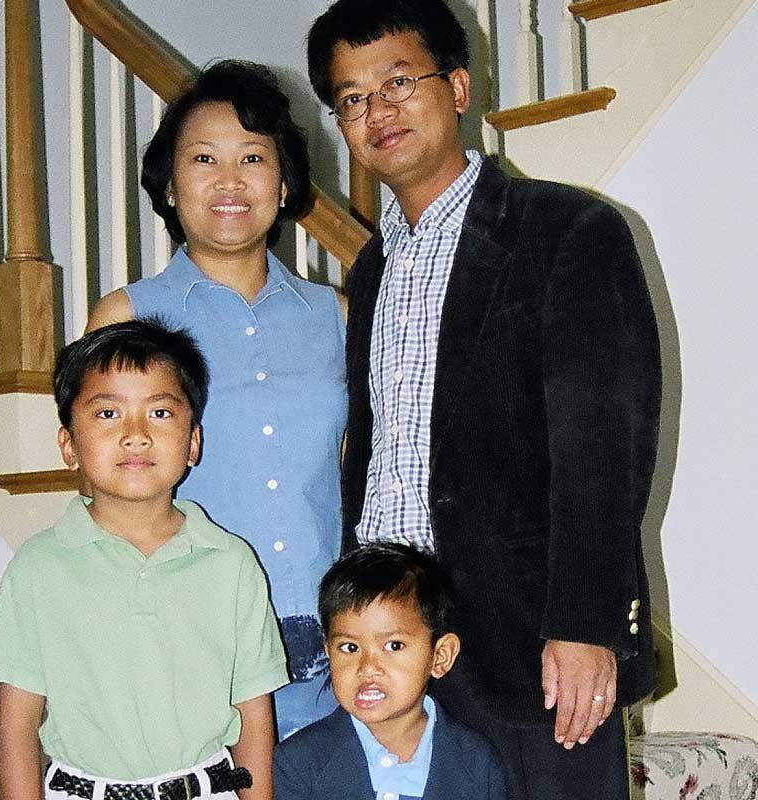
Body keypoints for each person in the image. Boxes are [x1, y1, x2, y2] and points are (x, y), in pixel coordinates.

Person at [306, 1, 663, 798]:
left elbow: (605, 446)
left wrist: (584, 624)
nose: (379, 110)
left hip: (532, 645)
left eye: (399, 80)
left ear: (458, 87)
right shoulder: (369, 271)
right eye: (353, 98)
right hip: (400, 650)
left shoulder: (567, 231)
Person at [87, 60, 345, 740]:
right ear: (170, 186)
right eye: (204, 158)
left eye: (253, 158)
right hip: (188, 651)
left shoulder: (339, 317)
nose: (230, 181)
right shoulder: (125, 317)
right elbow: (103, 491)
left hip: (335, 662)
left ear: (284, 182)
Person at [0, 320, 287, 800]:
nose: (136, 435)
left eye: (160, 412)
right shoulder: (39, 567)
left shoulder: (231, 564)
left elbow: (255, 719)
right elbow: (16, 728)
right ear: (68, 446)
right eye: (108, 414)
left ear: (193, 443)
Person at [274, 542, 506, 800]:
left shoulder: (476, 763)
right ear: (328, 652)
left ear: (440, 656)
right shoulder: (298, 763)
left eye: (393, 645)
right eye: (350, 647)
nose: (368, 666)